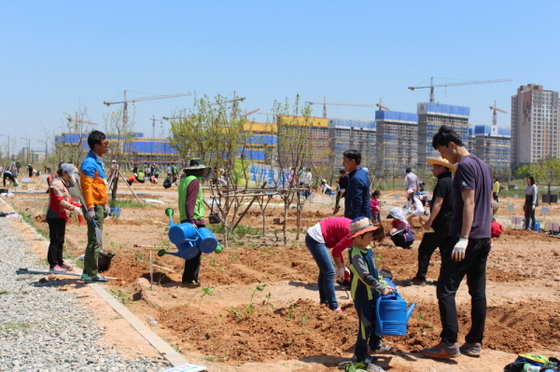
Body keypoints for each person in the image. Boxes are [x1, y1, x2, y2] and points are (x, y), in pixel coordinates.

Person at [422, 125, 493, 359]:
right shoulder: (483, 165)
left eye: (442, 151)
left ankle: (449, 342)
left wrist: (463, 237)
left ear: (452, 145)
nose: (442, 157)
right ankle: (474, 342)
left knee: (445, 289)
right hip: (483, 236)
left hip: (466, 237)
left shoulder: (464, 167)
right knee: (478, 291)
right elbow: (490, 204)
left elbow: (469, 203)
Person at [347, 217, 394, 365]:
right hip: (362, 296)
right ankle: (359, 356)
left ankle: (375, 345)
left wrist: (383, 283)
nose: (371, 238)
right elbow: (365, 277)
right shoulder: (355, 254)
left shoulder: (367, 249)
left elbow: (374, 271)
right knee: (365, 326)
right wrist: (381, 288)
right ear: (357, 236)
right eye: (367, 236)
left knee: (375, 321)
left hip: (373, 293)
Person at [410, 156, 456, 286]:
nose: (433, 170)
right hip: (451, 223)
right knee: (446, 251)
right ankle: (446, 279)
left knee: (425, 248)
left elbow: (438, 202)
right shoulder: (453, 182)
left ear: (441, 167)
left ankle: (421, 277)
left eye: (435, 167)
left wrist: (430, 221)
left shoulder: (442, 183)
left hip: (439, 222)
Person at [79, 130, 110, 284]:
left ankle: (90, 272)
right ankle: (90, 273)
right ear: (96, 145)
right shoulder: (89, 164)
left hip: (99, 205)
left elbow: (101, 186)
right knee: (94, 239)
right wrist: (90, 208)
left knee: (96, 239)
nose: (107, 146)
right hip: (94, 206)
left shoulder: (98, 162)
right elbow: (87, 188)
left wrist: (106, 204)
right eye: (105, 144)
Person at [305, 217, 353, 311]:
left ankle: (325, 302)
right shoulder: (353, 235)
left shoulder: (356, 229)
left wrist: (343, 267)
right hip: (316, 238)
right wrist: (339, 268)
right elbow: (335, 251)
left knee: (324, 272)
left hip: (315, 236)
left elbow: (338, 249)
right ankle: (334, 306)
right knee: (329, 272)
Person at [178, 158, 211, 287]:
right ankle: (191, 280)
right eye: (202, 169)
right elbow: (190, 201)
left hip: (185, 218)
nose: (203, 171)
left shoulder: (184, 181)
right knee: (196, 252)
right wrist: (192, 221)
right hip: (194, 219)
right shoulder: (194, 181)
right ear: (199, 170)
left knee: (191, 250)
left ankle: (187, 279)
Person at [46, 163, 83, 272]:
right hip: (55, 215)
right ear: (63, 172)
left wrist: (79, 206)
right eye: (69, 174)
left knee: (60, 240)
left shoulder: (63, 183)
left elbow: (68, 200)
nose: (70, 177)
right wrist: (73, 208)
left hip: (61, 215)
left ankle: (60, 262)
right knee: (55, 240)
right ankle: (53, 264)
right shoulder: (56, 184)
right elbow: (60, 201)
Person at [340, 149, 371, 220]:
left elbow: (357, 203)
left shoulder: (356, 178)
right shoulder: (361, 174)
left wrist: (352, 222)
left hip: (359, 220)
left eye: (345, 160)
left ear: (352, 161)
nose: (343, 163)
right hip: (363, 216)